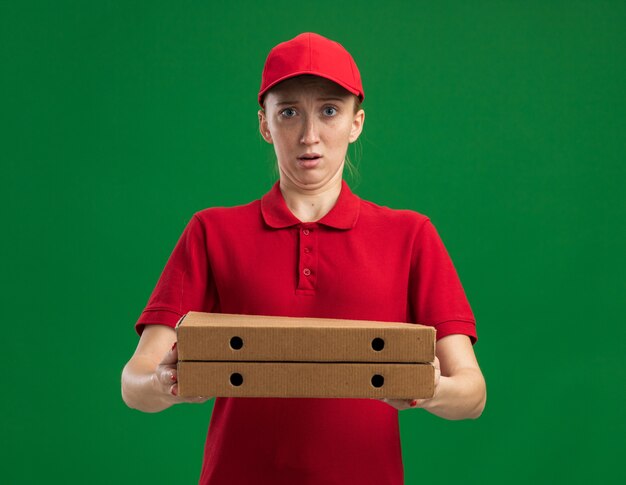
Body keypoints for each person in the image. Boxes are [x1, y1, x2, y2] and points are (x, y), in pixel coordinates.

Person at [121, 32, 486, 485]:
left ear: (357, 123)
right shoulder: (211, 231)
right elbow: (134, 382)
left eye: (329, 111)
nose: (309, 135)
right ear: (264, 124)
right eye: (289, 112)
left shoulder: (410, 235)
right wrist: (165, 383)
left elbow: (472, 393)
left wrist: (428, 390)